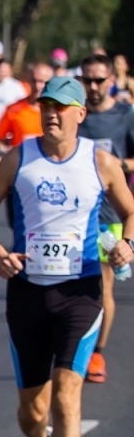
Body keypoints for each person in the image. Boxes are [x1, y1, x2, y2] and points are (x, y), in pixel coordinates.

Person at [0, 76, 134, 437]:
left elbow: (130, 211)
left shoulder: (100, 162)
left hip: (80, 294)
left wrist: (127, 244)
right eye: (46, 106)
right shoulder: (19, 159)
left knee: (66, 395)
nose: (51, 114)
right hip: (28, 294)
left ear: (80, 114)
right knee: (32, 408)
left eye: (61, 107)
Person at [78, 53, 134, 383]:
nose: (93, 86)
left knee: (102, 287)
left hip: (108, 214)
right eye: (87, 80)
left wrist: (118, 166)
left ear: (111, 80)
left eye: (99, 80)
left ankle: (97, 352)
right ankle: (72, 346)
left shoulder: (124, 114)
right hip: (73, 214)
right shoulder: (74, 115)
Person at [0, 61, 54, 151]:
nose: (37, 86)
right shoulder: (13, 109)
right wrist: (6, 151)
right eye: (34, 81)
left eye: (41, 82)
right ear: (28, 80)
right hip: (22, 158)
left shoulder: (57, 110)